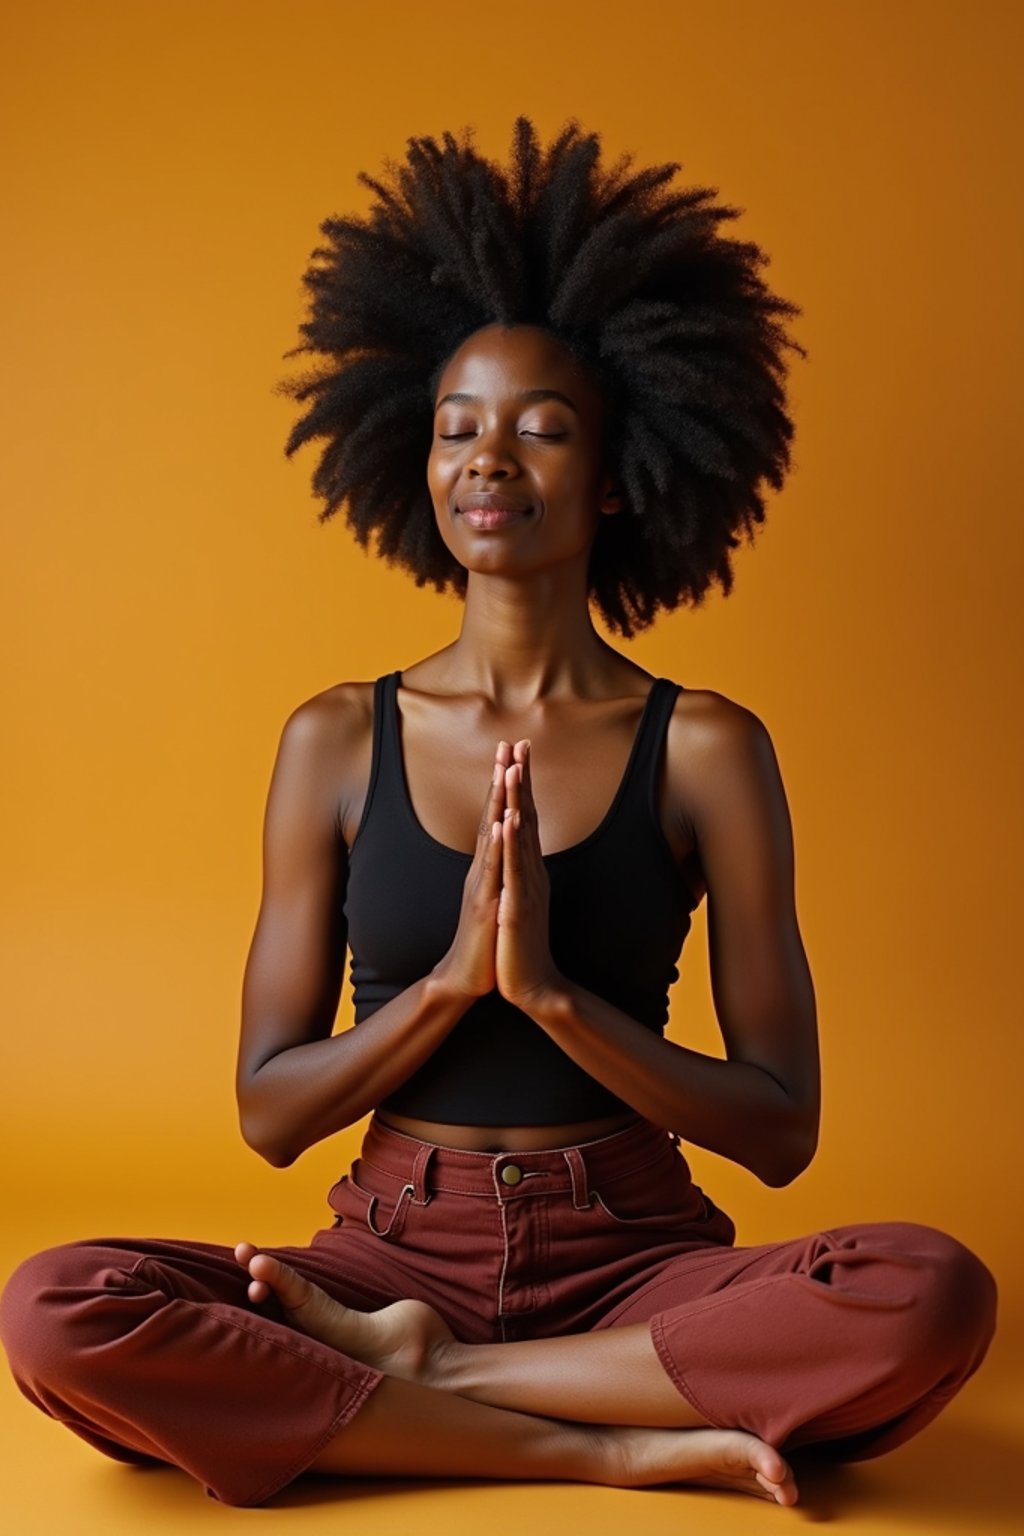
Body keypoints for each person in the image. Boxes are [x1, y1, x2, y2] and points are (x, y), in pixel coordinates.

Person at [0, 116, 997, 1511]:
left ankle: (422, 1389)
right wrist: (452, 988)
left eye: (541, 428)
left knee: (926, 1294)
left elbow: (779, 1130)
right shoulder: (337, 738)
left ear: (618, 469)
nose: (490, 457)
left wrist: (553, 1001)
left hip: (638, 1252)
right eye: (459, 426)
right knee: (56, 1307)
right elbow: (267, 1114)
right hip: (391, 1246)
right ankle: (609, 1438)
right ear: (413, 459)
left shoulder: (704, 745)